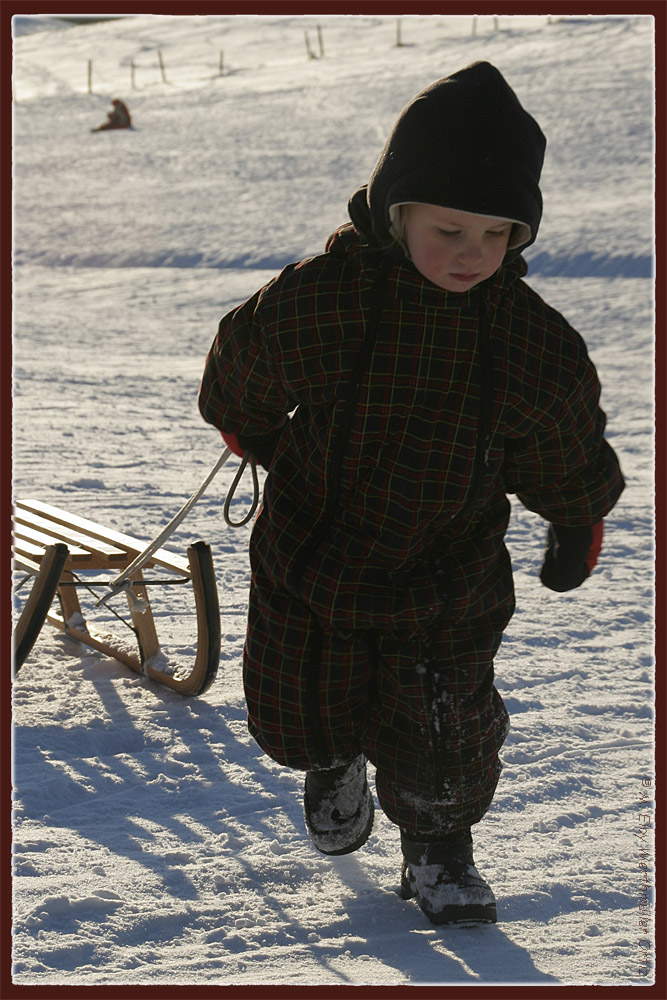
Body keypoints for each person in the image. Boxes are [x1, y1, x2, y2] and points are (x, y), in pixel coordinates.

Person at [198, 61, 624, 926]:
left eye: (496, 235)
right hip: (313, 552)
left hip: (446, 570)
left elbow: (562, 433)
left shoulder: (527, 338)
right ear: (395, 214)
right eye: (449, 230)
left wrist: (575, 514)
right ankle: (331, 757)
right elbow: (244, 364)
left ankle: (439, 850)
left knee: (446, 726)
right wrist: (253, 431)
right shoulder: (327, 297)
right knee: (299, 705)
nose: (473, 255)